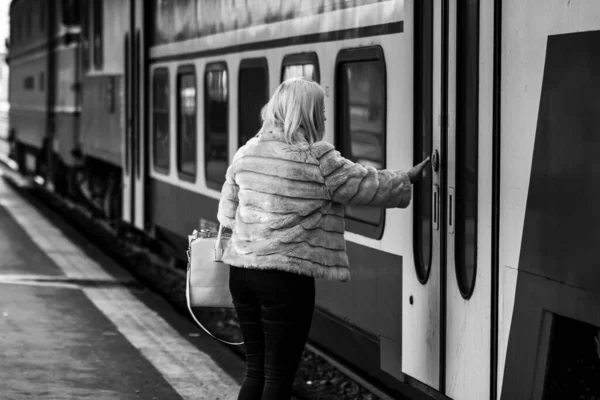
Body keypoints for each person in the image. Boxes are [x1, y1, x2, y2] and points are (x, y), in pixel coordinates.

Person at [217, 77, 430, 400]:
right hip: (285, 279)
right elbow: (364, 185)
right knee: (278, 378)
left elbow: (227, 213)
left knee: (256, 371)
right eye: (322, 110)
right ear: (308, 114)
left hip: (243, 273)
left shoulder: (247, 152)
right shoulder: (317, 158)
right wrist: (407, 178)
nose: (326, 118)